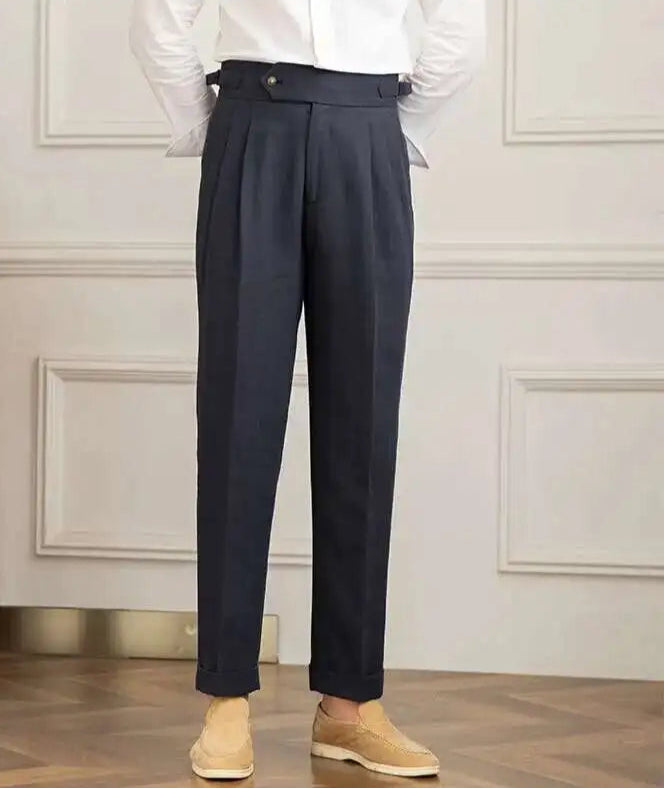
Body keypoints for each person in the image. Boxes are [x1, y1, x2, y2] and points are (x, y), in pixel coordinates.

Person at [130, 0, 485, 779]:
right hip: (253, 124)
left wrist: (392, 126)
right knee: (238, 416)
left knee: (363, 424)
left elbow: (461, 26)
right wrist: (214, 128)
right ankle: (226, 698)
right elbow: (158, 16)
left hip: (368, 132)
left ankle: (349, 706)